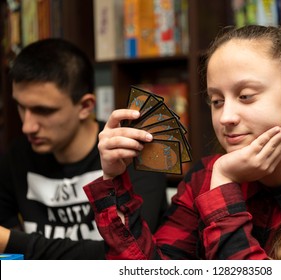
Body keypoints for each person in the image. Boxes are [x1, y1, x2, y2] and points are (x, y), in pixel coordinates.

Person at [83, 25, 281, 260]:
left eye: (246, 96)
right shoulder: (205, 178)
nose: (226, 117)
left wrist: (224, 184)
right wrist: (113, 180)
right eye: (216, 101)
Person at [0, 38, 168, 259]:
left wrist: (13, 242)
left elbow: (128, 254)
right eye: (22, 107)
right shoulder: (17, 156)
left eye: (44, 111)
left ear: (85, 106)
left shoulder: (132, 154)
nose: (27, 126)